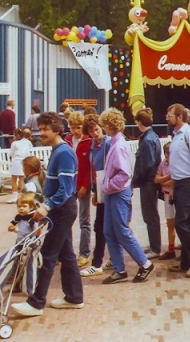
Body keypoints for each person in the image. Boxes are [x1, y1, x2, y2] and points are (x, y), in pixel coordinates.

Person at [12, 112, 84, 317]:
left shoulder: (63, 153)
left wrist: (47, 206)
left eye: (45, 129)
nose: (41, 132)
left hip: (62, 210)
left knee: (48, 255)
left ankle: (36, 302)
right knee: (67, 254)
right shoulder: (58, 150)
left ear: (57, 130)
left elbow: (67, 188)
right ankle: (74, 297)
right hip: (60, 209)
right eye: (40, 128)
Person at [99, 108, 155, 284]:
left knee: (122, 231)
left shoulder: (119, 146)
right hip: (111, 194)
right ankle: (119, 269)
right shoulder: (114, 143)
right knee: (109, 230)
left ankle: (144, 263)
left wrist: (107, 185)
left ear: (108, 125)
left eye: (104, 125)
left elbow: (124, 174)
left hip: (118, 193)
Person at [166, 103, 190, 278]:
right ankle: (186, 260)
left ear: (180, 116)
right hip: (180, 183)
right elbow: (176, 164)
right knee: (189, 222)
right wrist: (174, 187)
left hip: (188, 183)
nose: (167, 117)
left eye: (170, 114)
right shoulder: (176, 135)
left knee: (181, 222)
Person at [80, 116, 111, 277]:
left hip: (108, 187)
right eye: (91, 131)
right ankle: (111, 257)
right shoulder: (93, 145)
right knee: (103, 225)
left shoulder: (108, 143)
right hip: (99, 187)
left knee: (102, 226)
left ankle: (97, 263)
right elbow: (93, 170)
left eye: (97, 129)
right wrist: (95, 191)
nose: (95, 133)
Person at [132, 108, 162, 260]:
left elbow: (146, 164)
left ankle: (155, 247)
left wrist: (135, 180)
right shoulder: (153, 136)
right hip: (150, 181)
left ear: (138, 122)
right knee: (151, 214)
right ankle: (154, 244)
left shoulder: (147, 140)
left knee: (150, 215)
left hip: (147, 183)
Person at [65, 111, 93, 267]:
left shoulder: (88, 141)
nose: (75, 130)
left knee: (84, 220)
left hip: (82, 185)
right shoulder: (67, 140)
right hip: (69, 185)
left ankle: (84, 253)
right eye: (73, 127)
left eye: (78, 127)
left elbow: (90, 167)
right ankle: (66, 252)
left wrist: (85, 185)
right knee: (66, 219)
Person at [154, 142, 177, 261]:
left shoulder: (177, 164)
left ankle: (185, 248)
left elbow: (174, 180)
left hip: (176, 195)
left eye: (169, 153)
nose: (167, 156)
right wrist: (168, 177)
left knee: (180, 223)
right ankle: (171, 248)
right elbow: (157, 180)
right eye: (166, 153)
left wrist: (165, 180)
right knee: (170, 223)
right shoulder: (163, 164)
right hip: (167, 195)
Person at [8, 128, 32, 203]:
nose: (13, 137)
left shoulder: (14, 143)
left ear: (18, 135)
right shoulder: (27, 142)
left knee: (14, 179)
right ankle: (22, 196)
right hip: (24, 161)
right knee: (21, 180)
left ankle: (14, 196)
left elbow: (11, 153)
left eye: (14, 135)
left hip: (16, 161)